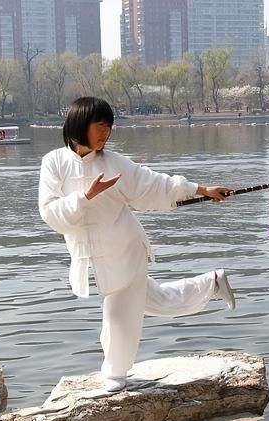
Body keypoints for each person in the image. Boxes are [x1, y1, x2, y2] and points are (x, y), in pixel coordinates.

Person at [38, 97, 236, 392]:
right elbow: (50, 213)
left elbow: (156, 184)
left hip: (125, 250)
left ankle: (116, 372)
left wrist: (202, 190)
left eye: (109, 126)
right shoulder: (53, 163)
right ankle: (213, 282)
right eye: (100, 125)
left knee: (117, 314)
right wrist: (85, 196)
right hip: (94, 257)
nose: (106, 133)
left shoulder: (114, 164)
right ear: (81, 124)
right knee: (157, 301)